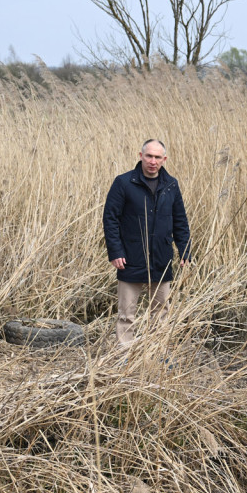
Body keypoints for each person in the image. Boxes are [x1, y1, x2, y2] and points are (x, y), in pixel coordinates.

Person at [103, 139, 191, 347]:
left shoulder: (171, 185)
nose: (153, 161)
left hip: (161, 258)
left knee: (160, 313)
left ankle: (155, 355)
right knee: (126, 314)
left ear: (164, 159)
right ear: (140, 155)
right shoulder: (123, 183)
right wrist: (115, 252)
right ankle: (123, 356)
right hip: (130, 258)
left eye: (157, 157)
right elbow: (110, 219)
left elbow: (180, 220)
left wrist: (185, 251)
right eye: (149, 156)